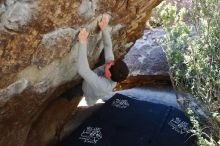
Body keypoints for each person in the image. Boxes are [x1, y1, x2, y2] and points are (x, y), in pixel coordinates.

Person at [63, 14, 129, 106]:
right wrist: (104, 28)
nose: (110, 62)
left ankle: (66, 97)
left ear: (109, 75)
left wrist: (82, 42)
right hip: (98, 75)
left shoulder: (103, 86)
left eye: (109, 65)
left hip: (86, 89)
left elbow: (83, 70)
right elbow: (108, 46)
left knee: (73, 92)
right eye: (112, 62)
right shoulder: (112, 66)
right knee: (104, 57)